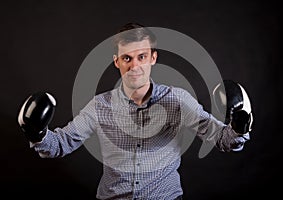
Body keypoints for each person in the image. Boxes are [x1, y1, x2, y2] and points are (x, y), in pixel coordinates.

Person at [17, 22, 253, 200]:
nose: (134, 66)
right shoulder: (100, 106)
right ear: (117, 62)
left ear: (153, 58)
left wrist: (238, 128)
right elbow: (60, 144)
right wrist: (37, 133)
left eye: (141, 57)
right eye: (127, 58)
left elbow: (223, 140)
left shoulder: (178, 100)